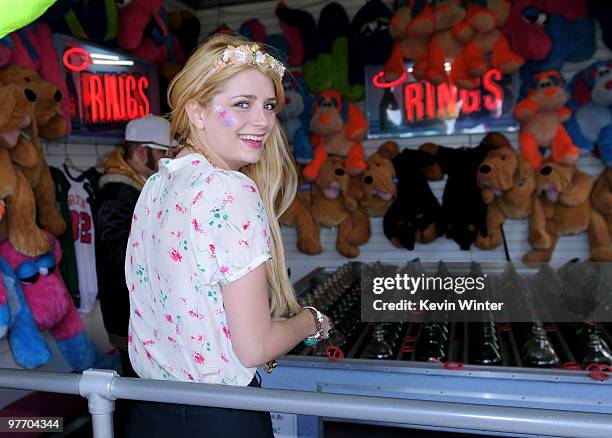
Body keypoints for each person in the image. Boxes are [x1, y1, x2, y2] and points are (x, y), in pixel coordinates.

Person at [123, 34, 331, 437]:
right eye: (242, 104)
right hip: (219, 416)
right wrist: (311, 322)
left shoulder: (155, 185)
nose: (263, 121)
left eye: (269, 105)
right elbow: (253, 347)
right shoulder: (229, 189)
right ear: (196, 112)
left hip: (147, 412)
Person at [97, 114, 171, 378]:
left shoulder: (135, 190)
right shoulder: (119, 194)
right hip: (130, 322)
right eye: (163, 153)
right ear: (142, 152)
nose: (168, 160)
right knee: (138, 394)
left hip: (138, 320)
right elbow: (120, 255)